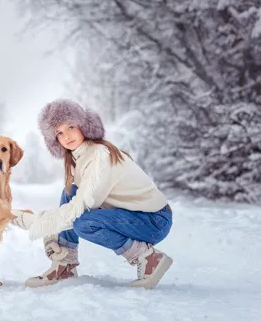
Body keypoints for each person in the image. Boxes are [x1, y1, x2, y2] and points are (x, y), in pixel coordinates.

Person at [10, 99, 173, 289]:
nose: (67, 136)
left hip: (153, 220)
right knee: (69, 192)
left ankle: (149, 258)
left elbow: (79, 210)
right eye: (59, 133)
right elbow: (74, 203)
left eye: (70, 127)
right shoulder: (78, 157)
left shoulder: (99, 156)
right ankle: (65, 265)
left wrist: (32, 221)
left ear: (83, 125)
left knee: (84, 222)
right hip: (135, 216)